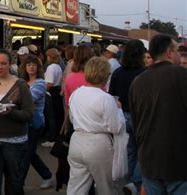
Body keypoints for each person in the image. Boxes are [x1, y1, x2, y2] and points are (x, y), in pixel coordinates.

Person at [129, 34, 187, 195]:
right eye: (176, 50)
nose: (177, 54)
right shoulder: (182, 76)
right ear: (169, 53)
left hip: (149, 161)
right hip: (178, 163)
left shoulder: (138, 82)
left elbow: (136, 123)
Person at [67, 57, 125, 195]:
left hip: (77, 140)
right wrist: (119, 110)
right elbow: (115, 127)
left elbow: (71, 117)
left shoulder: (76, 93)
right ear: (105, 74)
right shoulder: (105, 98)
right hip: (98, 144)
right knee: (106, 187)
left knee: (76, 186)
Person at [0, 49, 33, 195]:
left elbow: (29, 114)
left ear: (10, 64)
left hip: (14, 140)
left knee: (13, 180)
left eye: (3, 63)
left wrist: (11, 112)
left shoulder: (21, 85)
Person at [108, 40, 146, 194]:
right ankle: (135, 182)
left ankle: (129, 181)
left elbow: (112, 96)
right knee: (142, 151)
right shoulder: (144, 73)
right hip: (139, 116)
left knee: (129, 150)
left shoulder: (118, 72)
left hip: (122, 116)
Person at [19, 55, 55, 190]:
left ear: (38, 67)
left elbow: (28, 100)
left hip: (35, 123)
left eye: (34, 64)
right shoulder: (22, 82)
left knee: (26, 154)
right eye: (28, 64)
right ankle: (47, 175)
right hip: (23, 122)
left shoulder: (40, 83)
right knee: (29, 153)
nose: (31, 67)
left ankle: (18, 184)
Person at [41, 48, 63, 147]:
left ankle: (52, 138)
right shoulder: (58, 67)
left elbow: (49, 83)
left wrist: (41, 90)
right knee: (56, 115)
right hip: (57, 92)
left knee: (51, 116)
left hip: (50, 93)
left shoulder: (51, 68)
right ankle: (56, 136)